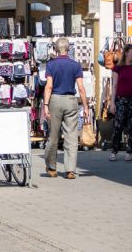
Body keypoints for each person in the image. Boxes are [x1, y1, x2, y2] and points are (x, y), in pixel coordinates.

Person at [43, 37, 90, 179]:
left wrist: (45, 105)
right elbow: (81, 87)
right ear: (68, 49)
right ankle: (70, 169)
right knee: (71, 136)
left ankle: (52, 168)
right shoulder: (75, 65)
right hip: (71, 101)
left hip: (55, 100)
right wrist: (86, 106)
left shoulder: (51, 65)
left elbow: (49, 86)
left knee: (53, 135)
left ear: (56, 50)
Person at [108, 43, 132, 161]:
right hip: (121, 99)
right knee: (118, 125)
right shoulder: (118, 68)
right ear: (126, 53)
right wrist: (112, 103)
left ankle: (129, 151)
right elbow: (114, 86)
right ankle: (114, 150)